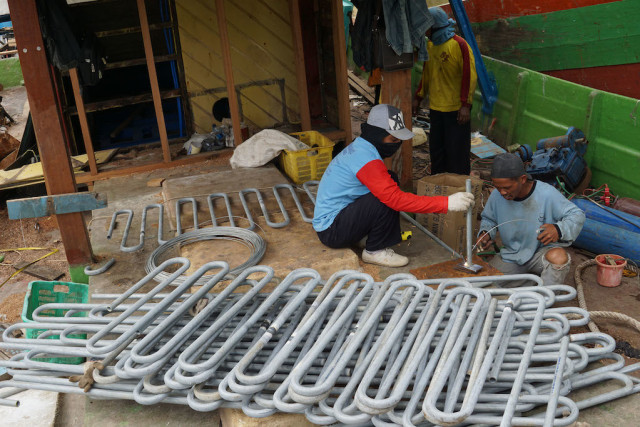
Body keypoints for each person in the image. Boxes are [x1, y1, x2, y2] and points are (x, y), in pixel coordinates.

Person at [313, 104, 475, 267]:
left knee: (389, 179)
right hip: (332, 230)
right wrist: (446, 203)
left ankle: (366, 236)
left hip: (338, 218)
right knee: (386, 198)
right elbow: (395, 200)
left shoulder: (362, 147)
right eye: (393, 139)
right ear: (377, 134)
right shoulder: (366, 160)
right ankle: (374, 251)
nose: (396, 144)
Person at [478, 153, 586, 286]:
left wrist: (558, 229)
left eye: (507, 187)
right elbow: (489, 219)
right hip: (512, 256)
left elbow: (577, 214)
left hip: (540, 255)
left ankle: (545, 299)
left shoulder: (546, 193)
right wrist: (486, 233)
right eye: (498, 187)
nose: (502, 192)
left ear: (522, 179)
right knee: (481, 285)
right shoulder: (497, 196)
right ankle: (531, 280)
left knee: (558, 257)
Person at [412, 7, 477, 175]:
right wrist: (418, 97)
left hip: (456, 110)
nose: (425, 31)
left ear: (435, 26)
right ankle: (438, 182)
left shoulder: (459, 44)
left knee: (457, 152)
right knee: (437, 150)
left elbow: (469, 76)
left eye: (427, 26)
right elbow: (426, 73)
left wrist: (466, 105)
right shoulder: (430, 45)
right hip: (436, 108)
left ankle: (458, 185)